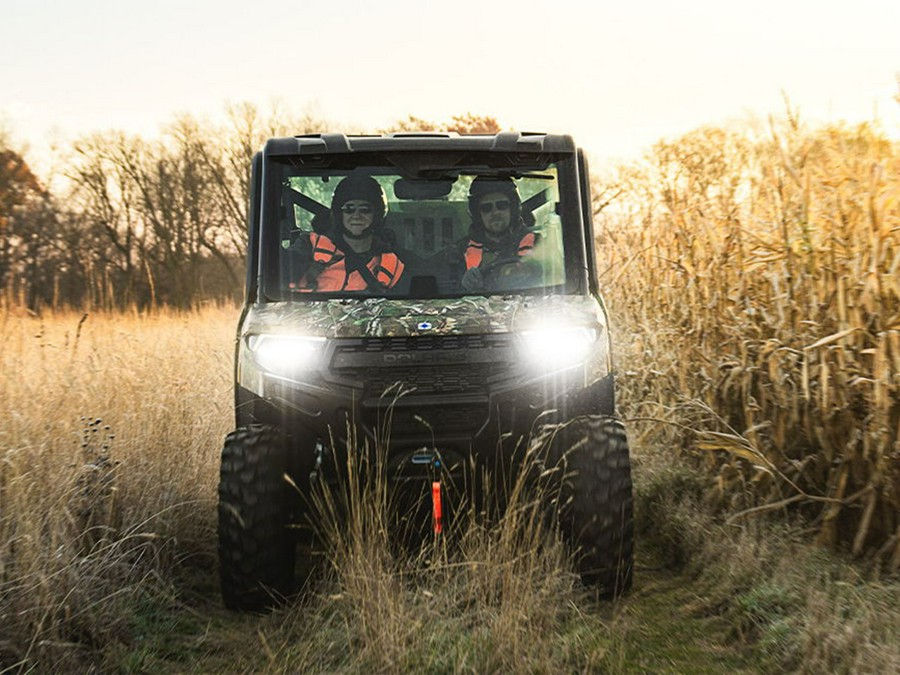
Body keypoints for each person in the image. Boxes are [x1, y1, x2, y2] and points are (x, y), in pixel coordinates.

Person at [289, 174, 406, 292]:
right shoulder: (310, 246)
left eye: (365, 210)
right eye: (349, 209)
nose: (356, 216)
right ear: (339, 214)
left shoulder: (393, 265)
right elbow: (279, 272)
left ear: (377, 215)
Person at [459, 176, 541, 292]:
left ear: (513, 209)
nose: (495, 212)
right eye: (486, 208)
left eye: (502, 205)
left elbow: (554, 277)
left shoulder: (538, 243)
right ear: (477, 214)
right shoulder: (460, 251)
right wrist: (464, 284)